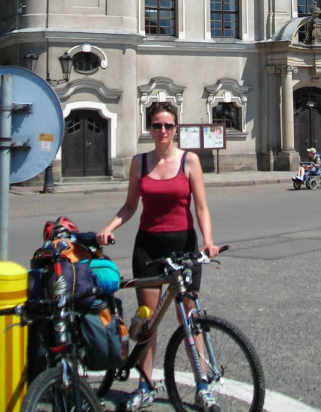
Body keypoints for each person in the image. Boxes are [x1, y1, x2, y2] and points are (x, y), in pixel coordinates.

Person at [96, 101, 219, 411]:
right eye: (156, 125)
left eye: (168, 125)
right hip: (148, 247)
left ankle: (203, 385)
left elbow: (201, 206)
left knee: (189, 315)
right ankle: (145, 385)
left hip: (183, 246)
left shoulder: (189, 161)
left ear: (176, 128)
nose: (162, 131)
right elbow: (129, 206)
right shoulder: (140, 162)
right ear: (148, 128)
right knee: (146, 320)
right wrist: (108, 228)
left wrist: (208, 240)